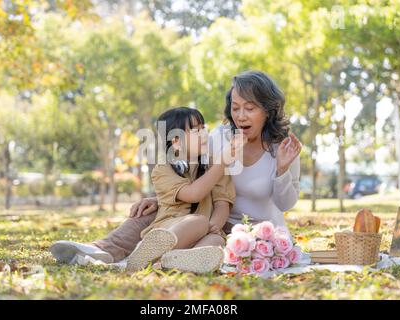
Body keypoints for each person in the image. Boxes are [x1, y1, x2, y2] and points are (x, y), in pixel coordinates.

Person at [50, 70, 301, 269]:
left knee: (201, 230)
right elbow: (192, 172)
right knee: (149, 211)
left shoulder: (284, 146)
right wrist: (162, 196)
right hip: (203, 213)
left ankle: (170, 258)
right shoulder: (222, 136)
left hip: (245, 231)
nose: (240, 116)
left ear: (268, 110)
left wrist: (281, 170)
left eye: (250, 108)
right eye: (235, 107)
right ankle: (100, 250)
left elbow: (286, 203)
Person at [50, 107, 242, 273]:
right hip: (173, 229)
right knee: (197, 221)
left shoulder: (215, 167)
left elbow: (222, 203)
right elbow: (193, 194)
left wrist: (214, 226)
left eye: (203, 128)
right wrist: (223, 162)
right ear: (176, 141)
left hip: (204, 232)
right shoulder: (164, 169)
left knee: (216, 242)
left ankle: (174, 261)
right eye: (195, 130)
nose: (204, 134)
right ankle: (148, 253)